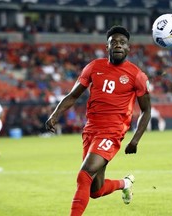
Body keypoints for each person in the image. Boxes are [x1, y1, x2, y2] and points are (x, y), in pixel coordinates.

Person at [46, 25, 151, 216]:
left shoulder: (137, 75)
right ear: (107, 46)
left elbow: (146, 109)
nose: (118, 45)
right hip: (90, 131)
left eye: (122, 43)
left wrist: (135, 139)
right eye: (114, 42)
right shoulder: (94, 67)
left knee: (83, 176)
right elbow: (73, 95)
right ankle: (125, 183)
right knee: (95, 190)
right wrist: (55, 114)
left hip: (112, 131)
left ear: (128, 48)